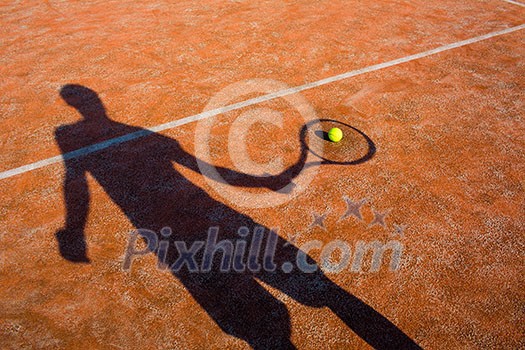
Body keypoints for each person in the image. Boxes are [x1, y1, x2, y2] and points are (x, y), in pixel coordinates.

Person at [55, 84, 420, 349]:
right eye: (84, 99)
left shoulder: (92, 136)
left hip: (202, 227)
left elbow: (205, 169)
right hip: (188, 232)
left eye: (89, 97)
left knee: (319, 296)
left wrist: (267, 181)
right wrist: (74, 228)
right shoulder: (87, 136)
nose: (91, 103)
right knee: (272, 326)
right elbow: (76, 180)